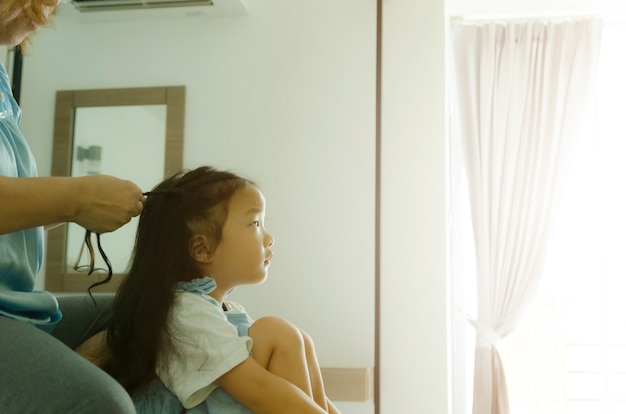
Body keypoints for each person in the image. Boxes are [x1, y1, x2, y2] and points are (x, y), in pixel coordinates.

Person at [80, 166, 341, 413]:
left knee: (299, 340)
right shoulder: (185, 311)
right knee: (277, 333)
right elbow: (259, 390)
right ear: (202, 249)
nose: (269, 237)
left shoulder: (224, 311)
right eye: (255, 223)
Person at [0, 1, 144, 412]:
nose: (53, 4)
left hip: (14, 304)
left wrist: (77, 206)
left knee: (146, 313)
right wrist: (78, 198)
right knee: (103, 403)